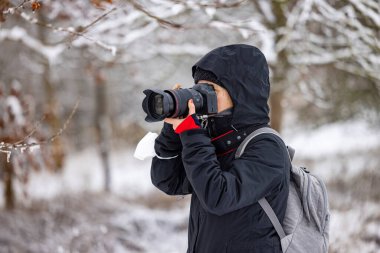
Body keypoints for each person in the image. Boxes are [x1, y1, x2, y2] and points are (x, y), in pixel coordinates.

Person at [150, 44, 290, 253]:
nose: (201, 97)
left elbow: (219, 197)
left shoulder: (267, 146)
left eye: (210, 90)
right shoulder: (214, 140)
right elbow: (169, 181)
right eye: (198, 88)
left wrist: (192, 133)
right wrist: (172, 132)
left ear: (240, 93)